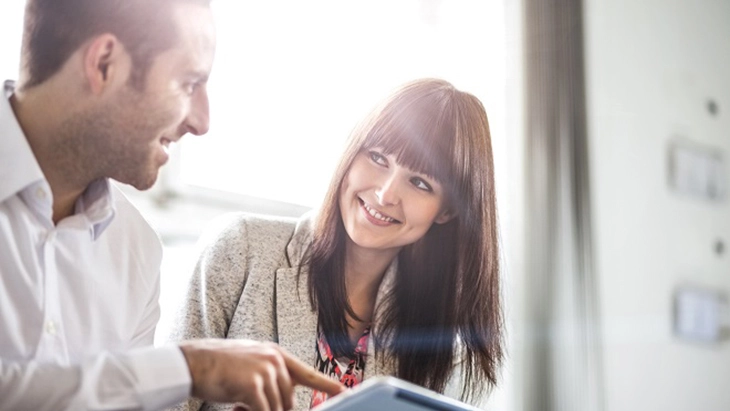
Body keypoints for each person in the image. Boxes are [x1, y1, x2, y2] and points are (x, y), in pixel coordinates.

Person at [0, 0, 343, 410]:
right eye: (188, 83)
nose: (202, 122)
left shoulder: (136, 250)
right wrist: (187, 368)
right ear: (104, 63)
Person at [169, 78, 504, 410]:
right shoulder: (240, 249)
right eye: (377, 158)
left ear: (447, 211)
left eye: (419, 182)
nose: (386, 194)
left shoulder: (448, 351)